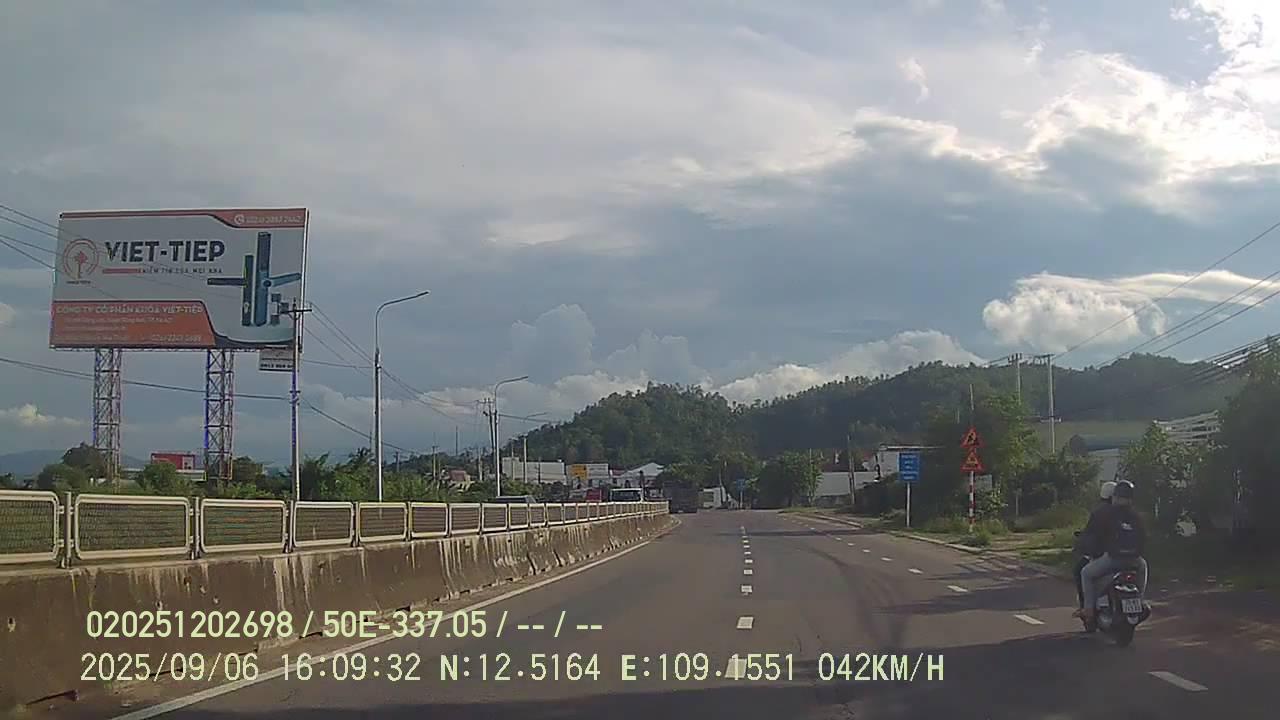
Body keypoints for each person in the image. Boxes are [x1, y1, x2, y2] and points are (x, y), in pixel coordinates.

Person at [1077, 480, 1148, 620]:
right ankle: (1140, 600)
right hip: (1135, 560)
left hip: (1113, 559)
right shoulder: (1136, 516)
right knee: (1144, 567)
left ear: (1115, 497)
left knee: (1086, 573)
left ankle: (1088, 609)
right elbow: (1144, 537)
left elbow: (1096, 536)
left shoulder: (1106, 513)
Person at [1072, 481, 1116, 610]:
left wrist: (1082, 544)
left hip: (1104, 554)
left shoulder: (1099, 512)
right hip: (1129, 556)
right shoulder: (1125, 511)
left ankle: (1086, 608)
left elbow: (1090, 532)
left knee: (1080, 571)